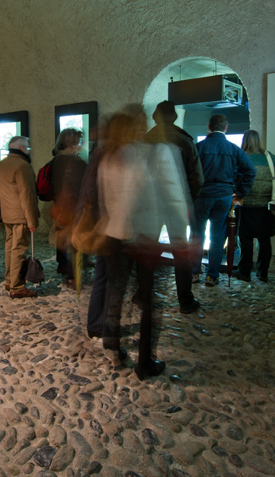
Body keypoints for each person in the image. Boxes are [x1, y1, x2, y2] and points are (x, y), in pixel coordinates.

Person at [96, 109, 189, 380]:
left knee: (117, 289)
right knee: (148, 299)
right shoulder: (151, 153)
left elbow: (106, 200)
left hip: (115, 233)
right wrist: (178, 235)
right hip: (141, 236)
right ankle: (145, 361)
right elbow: (167, 195)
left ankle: (112, 345)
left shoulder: (108, 158)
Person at [144, 101, 204, 314]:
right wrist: (187, 199)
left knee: (148, 249)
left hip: (151, 204)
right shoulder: (185, 141)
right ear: (174, 117)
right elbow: (197, 178)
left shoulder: (145, 140)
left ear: (155, 116)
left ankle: (142, 295)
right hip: (177, 203)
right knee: (181, 252)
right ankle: (185, 300)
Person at [191, 114, 256, 287]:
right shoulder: (234, 149)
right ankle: (212, 276)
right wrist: (240, 193)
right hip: (224, 196)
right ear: (225, 128)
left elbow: (187, 172)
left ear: (208, 127)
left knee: (197, 235)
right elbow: (250, 171)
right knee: (218, 237)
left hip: (202, 196)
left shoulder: (198, 147)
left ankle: (194, 273)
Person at [236, 130, 275, 283]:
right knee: (264, 240)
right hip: (266, 206)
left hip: (245, 205)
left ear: (244, 141)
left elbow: (235, 180)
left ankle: (244, 272)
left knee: (245, 239)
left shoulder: (240, 158)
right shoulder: (273, 159)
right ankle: (263, 273)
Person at [0, 136, 40, 298]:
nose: (28, 150)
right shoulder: (23, 166)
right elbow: (27, 195)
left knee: (10, 247)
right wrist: (32, 220)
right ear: (21, 148)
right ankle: (17, 286)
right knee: (19, 249)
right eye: (27, 147)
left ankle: (9, 280)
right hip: (21, 215)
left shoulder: (2, 164)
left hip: (7, 214)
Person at [49, 128, 87, 287]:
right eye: (79, 141)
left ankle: (63, 265)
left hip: (60, 204)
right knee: (76, 239)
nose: (81, 144)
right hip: (73, 205)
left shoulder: (56, 160)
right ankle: (73, 275)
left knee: (62, 234)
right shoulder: (76, 162)